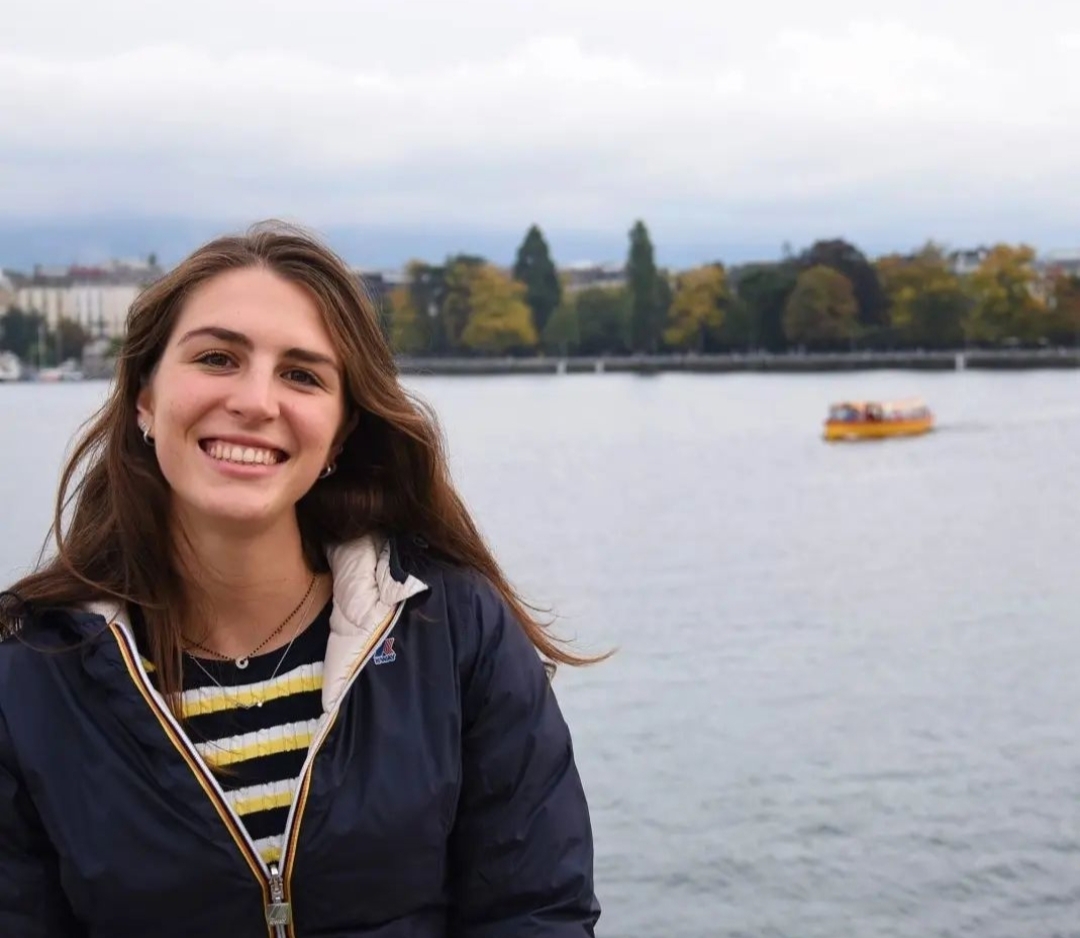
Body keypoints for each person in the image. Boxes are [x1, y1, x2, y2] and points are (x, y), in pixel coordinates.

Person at [0, 222, 602, 937]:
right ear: (144, 398)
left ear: (340, 433)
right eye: (218, 358)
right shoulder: (28, 677)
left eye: (302, 375)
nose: (257, 402)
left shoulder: (454, 630)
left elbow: (536, 912)